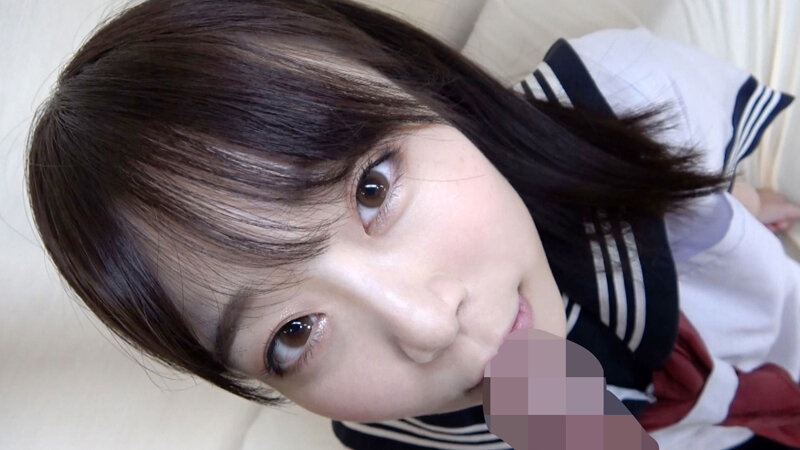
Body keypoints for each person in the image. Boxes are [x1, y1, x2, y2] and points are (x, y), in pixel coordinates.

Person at [24, 0, 800, 448]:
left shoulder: (624, 96)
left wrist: (729, 193)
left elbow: (695, 141)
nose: (427, 325)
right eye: (292, 333)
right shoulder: (396, 434)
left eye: (373, 188)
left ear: (415, 87)